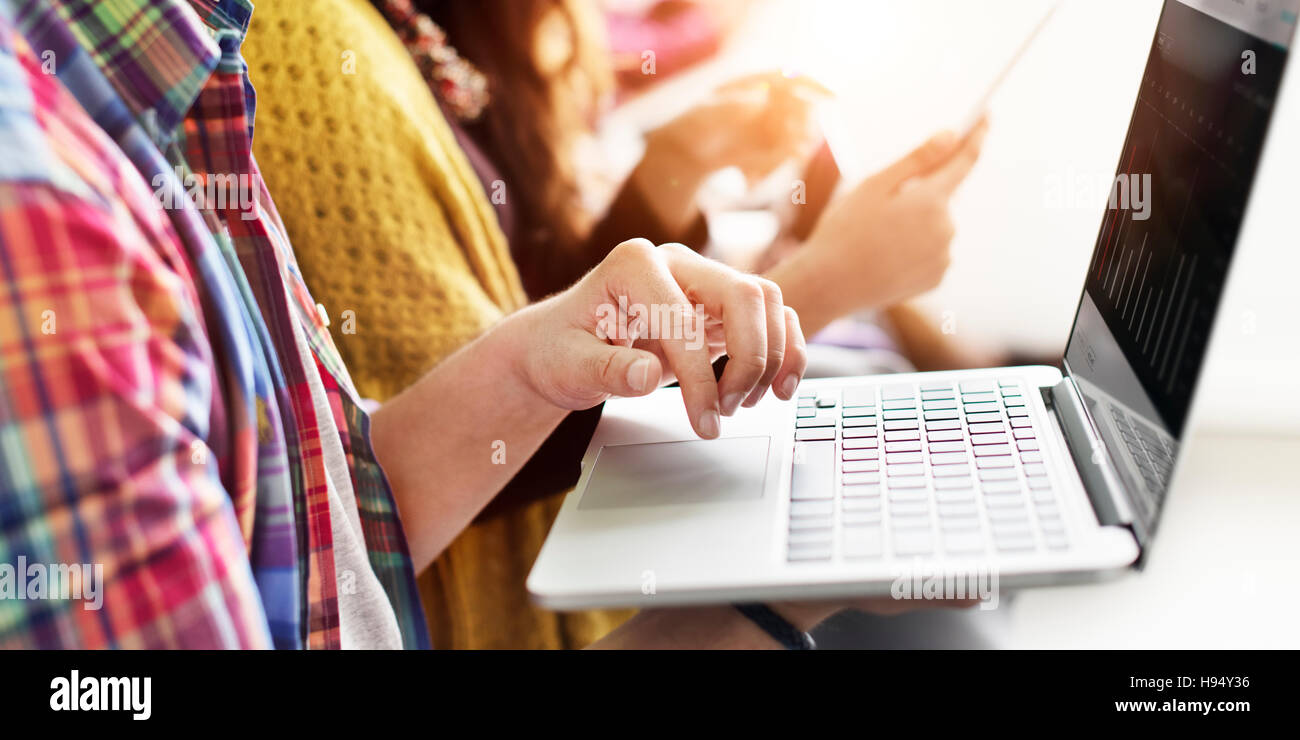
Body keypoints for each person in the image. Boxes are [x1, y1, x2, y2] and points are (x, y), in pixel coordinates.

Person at [0, 0, 964, 649]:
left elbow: (321, 523)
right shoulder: (59, 211)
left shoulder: (188, 71)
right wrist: (755, 610)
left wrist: (526, 366)